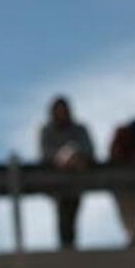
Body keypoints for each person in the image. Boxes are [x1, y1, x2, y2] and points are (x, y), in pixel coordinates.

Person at [39, 96, 96, 249]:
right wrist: (61, 159)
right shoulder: (47, 131)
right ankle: (66, 247)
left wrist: (76, 156)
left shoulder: (79, 129)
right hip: (56, 183)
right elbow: (46, 154)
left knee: (72, 213)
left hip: (77, 179)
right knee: (63, 215)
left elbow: (89, 150)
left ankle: (70, 246)